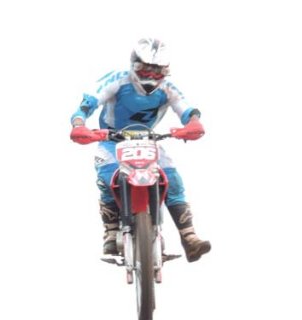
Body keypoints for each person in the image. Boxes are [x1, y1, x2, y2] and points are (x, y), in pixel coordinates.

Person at [69, 37, 212, 264]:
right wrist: (79, 124)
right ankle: (111, 231)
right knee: (108, 174)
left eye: (158, 71)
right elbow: (89, 101)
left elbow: (186, 109)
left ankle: (189, 237)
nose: (151, 76)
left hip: (148, 139)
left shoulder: (168, 88)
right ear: (134, 65)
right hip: (111, 139)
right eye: (145, 69)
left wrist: (193, 124)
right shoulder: (118, 79)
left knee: (172, 177)